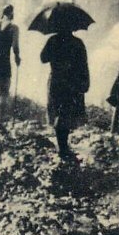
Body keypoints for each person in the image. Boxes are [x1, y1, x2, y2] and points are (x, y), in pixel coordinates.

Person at [40, 29, 89, 162]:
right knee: (65, 113)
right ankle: (63, 148)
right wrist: (85, 82)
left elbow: (43, 58)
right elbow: (84, 64)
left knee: (58, 112)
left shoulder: (52, 40)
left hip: (55, 81)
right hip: (71, 82)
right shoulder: (78, 43)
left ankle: (62, 146)